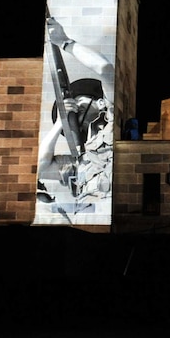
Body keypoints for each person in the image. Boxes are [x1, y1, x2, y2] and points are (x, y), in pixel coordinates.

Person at [36, 15, 115, 222]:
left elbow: (105, 70)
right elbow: (39, 167)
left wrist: (64, 42)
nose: (74, 109)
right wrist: (59, 124)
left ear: (98, 103)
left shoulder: (112, 120)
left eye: (78, 103)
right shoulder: (79, 158)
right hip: (84, 221)